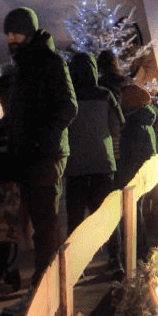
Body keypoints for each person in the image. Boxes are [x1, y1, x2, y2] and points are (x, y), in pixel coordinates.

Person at [0, 7, 77, 316]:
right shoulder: (24, 66)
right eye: (8, 33)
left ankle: (43, 290)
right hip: (30, 155)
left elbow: (68, 107)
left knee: (45, 224)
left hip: (45, 155)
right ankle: (47, 285)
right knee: (37, 223)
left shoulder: (49, 62)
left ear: (29, 33)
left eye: (16, 33)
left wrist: (38, 139)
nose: (10, 39)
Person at [64, 51, 123, 273]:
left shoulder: (67, 98)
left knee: (75, 219)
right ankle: (114, 259)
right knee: (105, 215)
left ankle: (72, 264)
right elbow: (118, 125)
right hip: (102, 164)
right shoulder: (105, 95)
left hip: (75, 166)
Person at [115, 83, 158, 259]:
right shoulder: (143, 120)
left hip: (133, 174)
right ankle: (139, 250)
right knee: (136, 210)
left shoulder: (134, 125)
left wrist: (122, 177)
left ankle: (137, 252)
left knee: (132, 211)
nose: (121, 102)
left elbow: (133, 154)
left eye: (124, 98)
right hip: (141, 174)